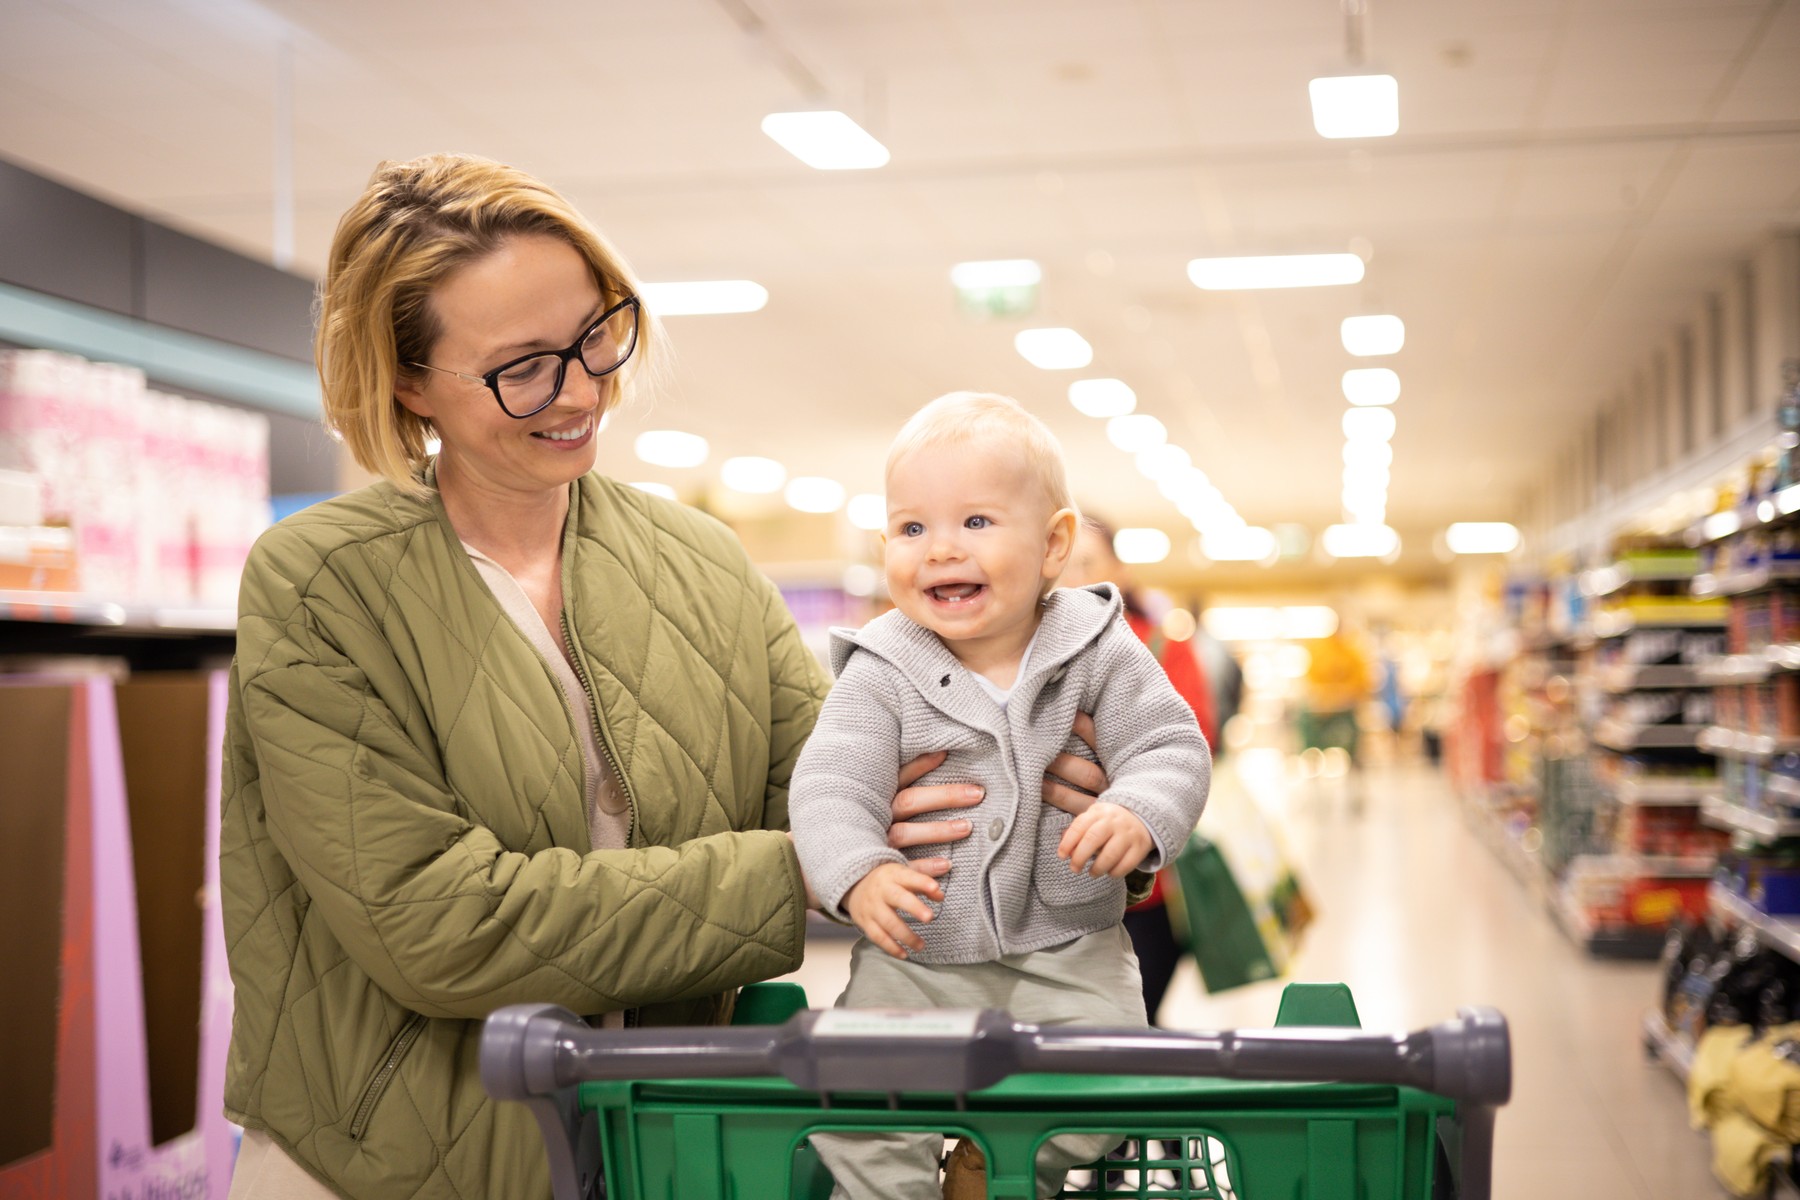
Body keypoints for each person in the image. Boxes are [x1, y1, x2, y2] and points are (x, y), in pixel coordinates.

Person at [218, 154, 1036, 1200]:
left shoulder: (698, 563)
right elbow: (437, 925)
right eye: (524, 366)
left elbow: (867, 782)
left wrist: (1043, 776)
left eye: (596, 334)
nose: (583, 389)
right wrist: (797, 870)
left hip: (654, 1149)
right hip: (382, 1163)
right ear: (407, 379)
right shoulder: (324, 584)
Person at [790, 393, 1212, 1200]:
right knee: (853, 1090)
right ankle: (891, 1192)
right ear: (887, 547)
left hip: (1070, 949)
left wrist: (1138, 809)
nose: (941, 550)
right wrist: (858, 870)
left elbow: (1170, 744)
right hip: (915, 953)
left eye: (976, 522)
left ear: (1055, 543)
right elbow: (831, 781)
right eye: (913, 529)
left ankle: (996, 1166)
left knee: (1114, 1079)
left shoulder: (1097, 649)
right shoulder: (880, 667)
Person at [1061, 515, 1215, 1027]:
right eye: (1060, 562)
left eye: (1086, 562)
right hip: (1046, 888)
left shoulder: (1155, 647)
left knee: (1129, 1014)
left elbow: (1192, 742)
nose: (1071, 577)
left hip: (1141, 880)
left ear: (1119, 570)